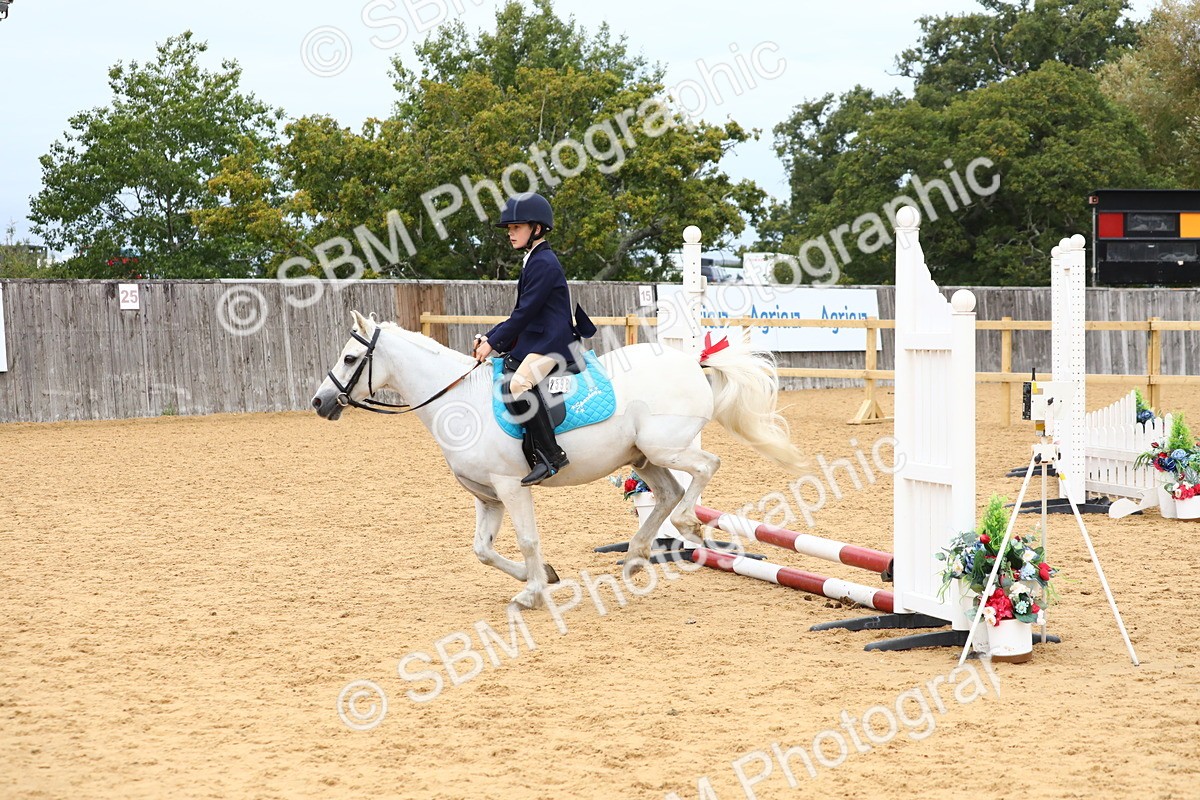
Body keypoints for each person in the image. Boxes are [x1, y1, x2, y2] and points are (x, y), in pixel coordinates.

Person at [472, 192, 592, 486]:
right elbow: (520, 313)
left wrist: (493, 344)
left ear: (536, 229)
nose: (510, 234)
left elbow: (524, 314)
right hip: (539, 338)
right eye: (510, 229)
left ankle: (551, 456)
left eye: (517, 228)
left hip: (553, 344)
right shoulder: (534, 259)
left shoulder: (543, 263)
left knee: (518, 384)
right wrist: (490, 336)